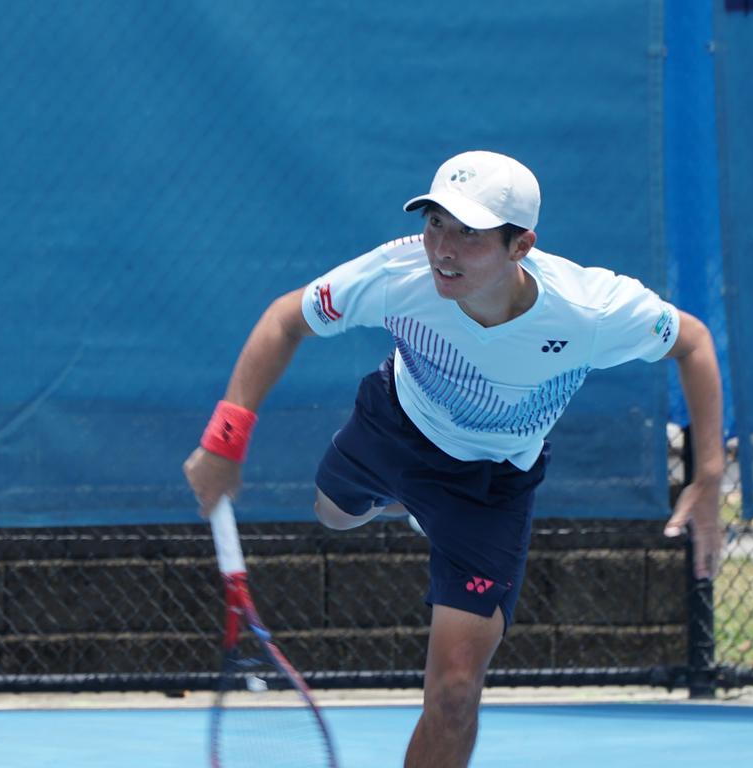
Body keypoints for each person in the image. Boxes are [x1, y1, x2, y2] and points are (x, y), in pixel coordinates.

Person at [184, 150, 724, 768]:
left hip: (490, 488)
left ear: (521, 245)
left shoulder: (590, 311)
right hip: (395, 425)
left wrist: (708, 477)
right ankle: (404, 503)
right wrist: (225, 441)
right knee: (333, 515)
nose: (442, 248)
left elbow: (695, 342)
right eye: (436, 222)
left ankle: (431, 515)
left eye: (469, 233)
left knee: (456, 694)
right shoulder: (397, 274)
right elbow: (286, 319)